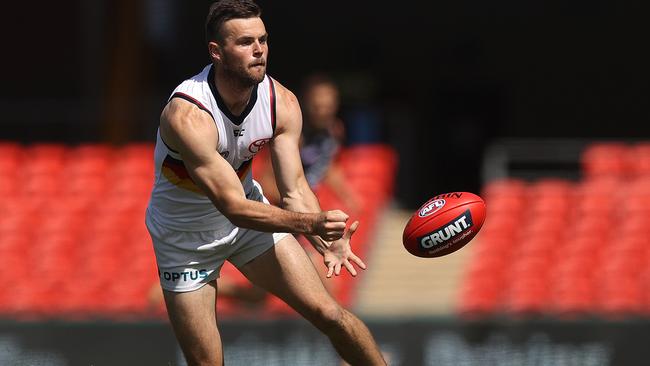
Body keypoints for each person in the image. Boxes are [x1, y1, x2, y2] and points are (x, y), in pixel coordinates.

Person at [144, 1, 387, 365]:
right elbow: (234, 207)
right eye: (244, 42)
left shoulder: (282, 102)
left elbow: (295, 190)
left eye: (263, 40)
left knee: (331, 314)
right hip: (184, 238)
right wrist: (310, 224)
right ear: (216, 51)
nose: (258, 50)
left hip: (248, 225)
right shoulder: (188, 115)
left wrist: (325, 241)